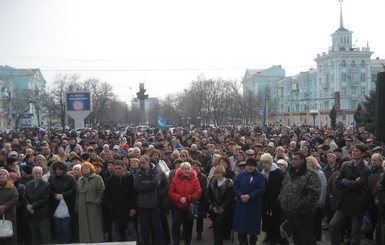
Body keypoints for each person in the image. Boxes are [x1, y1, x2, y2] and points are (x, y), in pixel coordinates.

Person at [329, 145, 371, 245]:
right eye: (353, 150)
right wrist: (351, 183)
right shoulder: (345, 165)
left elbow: (359, 186)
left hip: (357, 203)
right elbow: (338, 183)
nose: (354, 152)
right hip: (344, 201)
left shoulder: (366, 169)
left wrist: (345, 182)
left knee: (355, 232)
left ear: (363, 153)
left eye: (356, 151)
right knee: (333, 226)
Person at [278, 152, 320, 245]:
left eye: (296, 159)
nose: (293, 161)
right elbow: (283, 187)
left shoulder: (310, 174)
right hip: (290, 212)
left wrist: (301, 205)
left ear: (302, 160)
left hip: (303, 213)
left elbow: (314, 194)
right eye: (292, 159)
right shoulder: (291, 173)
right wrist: (281, 198)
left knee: (306, 238)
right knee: (295, 236)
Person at [133, 155, 165, 245]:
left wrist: (142, 183)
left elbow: (155, 184)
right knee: (144, 227)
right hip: (142, 204)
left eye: (143, 162)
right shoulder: (138, 172)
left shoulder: (156, 171)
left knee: (157, 227)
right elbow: (136, 187)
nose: (141, 164)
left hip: (154, 203)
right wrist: (149, 186)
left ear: (148, 162)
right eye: (140, 163)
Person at [233, 158, 266, 245]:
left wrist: (249, 196)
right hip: (242, 204)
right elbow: (236, 186)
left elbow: (261, 189)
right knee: (241, 227)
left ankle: (253, 242)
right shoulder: (241, 175)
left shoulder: (260, 176)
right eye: (248, 166)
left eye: (251, 166)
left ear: (255, 166)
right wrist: (241, 195)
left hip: (254, 205)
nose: (249, 167)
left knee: (252, 228)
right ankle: (242, 242)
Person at [168, 162, 202, 245]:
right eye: (185, 169)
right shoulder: (175, 179)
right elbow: (171, 192)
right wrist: (179, 198)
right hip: (178, 206)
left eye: (188, 169)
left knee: (188, 228)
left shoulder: (195, 179)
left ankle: (187, 243)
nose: (187, 171)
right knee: (175, 225)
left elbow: (198, 192)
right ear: (181, 170)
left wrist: (187, 198)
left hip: (189, 207)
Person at [104, 161, 137, 242]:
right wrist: (110, 205)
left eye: (119, 168)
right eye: (115, 169)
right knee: (115, 229)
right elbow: (106, 194)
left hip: (128, 208)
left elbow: (134, 194)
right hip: (115, 208)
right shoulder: (111, 180)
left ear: (124, 169)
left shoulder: (131, 178)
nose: (117, 170)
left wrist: (133, 207)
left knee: (131, 228)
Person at [48, 161, 77, 244]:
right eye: (56, 169)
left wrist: (63, 195)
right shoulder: (51, 178)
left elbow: (74, 189)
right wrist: (54, 195)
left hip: (67, 205)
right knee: (57, 227)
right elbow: (48, 189)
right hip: (55, 205)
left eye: (60, 169)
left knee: (66, 227)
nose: (58, 171)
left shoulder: (70, 178)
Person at [76, 162, 105, 243]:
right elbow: (77, 193)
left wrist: (97, 202)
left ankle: (97, 241)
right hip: (82, 205)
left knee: (95, 225)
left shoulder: (97, 178)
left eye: (86, 168)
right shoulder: (80, 179)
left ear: (91, 169)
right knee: (83, 225)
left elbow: (101, 191)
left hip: (93, 205)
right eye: (83, 168)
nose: (85, 170)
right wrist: (77, 206)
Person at [260, 153, 285, 245]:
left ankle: (275, 238)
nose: (264, 164)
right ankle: (269, 236)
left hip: (275, 201)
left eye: (266, 162)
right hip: (266, 201)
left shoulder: (277, 172)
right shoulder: (263, 173)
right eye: (262, 163)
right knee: (267, 220)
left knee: (275, 221)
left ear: (270, 162)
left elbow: (282, 186)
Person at [206, 165, 234, 245]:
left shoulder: (229, 182)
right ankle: (217, 241)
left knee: (219, 223)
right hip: (214, 206)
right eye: (216, 173)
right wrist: (213, 205)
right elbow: (208, 194)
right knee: (215, 224)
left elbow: (230, 198)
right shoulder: (213, 180)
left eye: (219, 173)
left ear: (223, 173)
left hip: (225, 208)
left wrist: (221, 207)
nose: (217, 175)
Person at [25, 166, 52, 244]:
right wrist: (28, 206)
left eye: (39, 173)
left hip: (42, 213)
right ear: (33, 174)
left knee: (45, 235)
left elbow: (45, 199)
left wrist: (33, 206)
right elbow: (25, 196)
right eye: (36, 173)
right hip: (31, 214)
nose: (38, 175)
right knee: (34, 236)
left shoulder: (46, 184)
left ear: (42, 173)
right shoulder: (29, 184)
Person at [306, 155, 327, 241]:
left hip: (317, 200)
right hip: (307, 200)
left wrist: (321, 200)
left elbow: (323, 187)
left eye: (309, 162)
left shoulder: (320, 173)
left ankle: (317, 236)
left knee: (316, 220)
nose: (308, 164)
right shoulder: (305, 173)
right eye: (306, 162)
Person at [0, 169, 18, 245]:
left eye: (3, 174)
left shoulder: (12, 187)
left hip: (9, 213)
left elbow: (15, 198)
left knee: (10, 233)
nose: (1, 176)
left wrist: (5, 206)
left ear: (7, 176)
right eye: (0, 175)